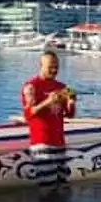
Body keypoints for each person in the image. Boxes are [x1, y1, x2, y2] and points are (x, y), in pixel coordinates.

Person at [21, 51, 76, 187]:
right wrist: (47, 102)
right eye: (50, 66)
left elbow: (69, 115)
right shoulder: (31, 86)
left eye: (56, 66)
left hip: (59, 142)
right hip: (42, 143)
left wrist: (71, 103)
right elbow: (28, 114)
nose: (54, 70)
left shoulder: (62, 87)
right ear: (41, 66)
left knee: (62, 184)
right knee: (47, 186)